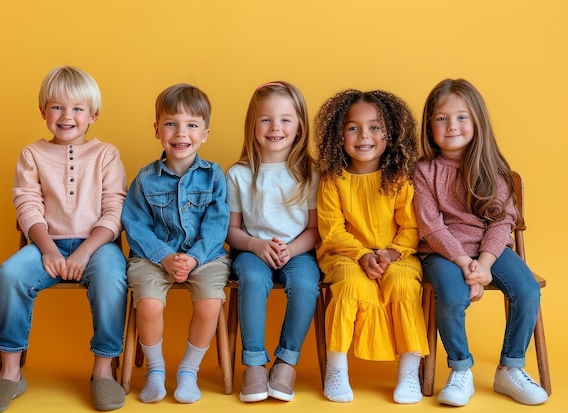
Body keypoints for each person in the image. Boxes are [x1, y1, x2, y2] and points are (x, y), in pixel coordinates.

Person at [0, 66, 128, 413]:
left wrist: (86, 251)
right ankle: (10, 373)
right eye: (57, 107)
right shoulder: (32, 154)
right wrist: (47, 249)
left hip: (98, 245)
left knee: (111, 277)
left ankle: (103, 370)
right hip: (47, 242)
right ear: (43, 111)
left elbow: (114, 210)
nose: (67, 116)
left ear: (93, 114)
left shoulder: (106, 155)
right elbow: (27, 206)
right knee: (10, 275)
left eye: (77, 109)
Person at [413, 78, 549, 407]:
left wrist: (484, 265)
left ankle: (510, 368)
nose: (452, 126)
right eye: (441, 118)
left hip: (491, 249)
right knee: (450, 294)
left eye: (461, 117)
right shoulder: (423, 170)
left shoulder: (492, 169)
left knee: (528, 289)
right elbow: (430, 226)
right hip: (443, 252)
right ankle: (460, 370)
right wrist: (464, 264)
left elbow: (502, 220)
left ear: (477, 121)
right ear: (430, 126)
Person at [315, 89, 428, 404]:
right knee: (351, 286)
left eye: (375, 127)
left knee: (404, 285)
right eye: (353, 127)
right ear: (338, 135)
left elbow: (412, 227)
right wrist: (362, 254)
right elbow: (331, 229)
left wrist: (389, 254)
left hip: (396, 255)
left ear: (390, 135)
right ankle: (336, 368)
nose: (364, 135)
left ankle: (408, 371)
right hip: (345, 256)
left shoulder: (400, 180)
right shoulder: (332, 180)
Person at [121, 84, 231, 405]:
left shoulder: (214, 176)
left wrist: (194, 258)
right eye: (171, 123)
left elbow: (217, 224)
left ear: (205, 133)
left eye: (191, 125)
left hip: (206, 256)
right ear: (157, 130)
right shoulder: (145, 179)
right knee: (149, 304)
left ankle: (188, 370)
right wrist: (165, 256)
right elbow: (135, 225)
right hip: (153, 256)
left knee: (210, 303)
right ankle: (155, 370)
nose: (181, 132)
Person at [226, 81, 320, 403]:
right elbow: (231, 230)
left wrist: (291, 249)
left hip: (298, 250)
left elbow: (315, 229)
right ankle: (253, 362)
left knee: (307, 284)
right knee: (252, 279)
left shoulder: (309, 172)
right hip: (251, 249)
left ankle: (286, 361)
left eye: (285, 119)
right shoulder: (238, 174)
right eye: (265, 119)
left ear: (299, 127)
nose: (275, 127)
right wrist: (255, 245)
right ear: (252, 125)